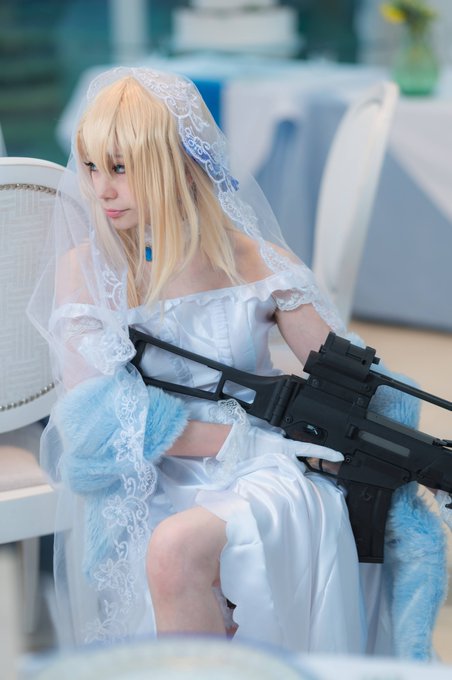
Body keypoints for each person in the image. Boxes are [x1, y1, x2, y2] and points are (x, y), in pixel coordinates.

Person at [28, 66, 447, 656]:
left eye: (121, 169)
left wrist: (405, 450)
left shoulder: (256, 262)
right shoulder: (90, 269)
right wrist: (240, 440)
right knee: (167, 545)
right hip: (154, 472)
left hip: (269, 473)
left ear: (176, 165)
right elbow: (99, 423)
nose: (101, 190)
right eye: (92, 167)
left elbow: (349, 378)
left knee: (175, 547)